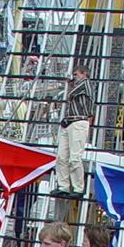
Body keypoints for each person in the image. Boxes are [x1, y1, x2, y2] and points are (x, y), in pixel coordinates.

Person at [53, 65, 93, 196]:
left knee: (75, 157)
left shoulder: (86, 84)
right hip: (70, 122)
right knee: (61, 157)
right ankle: (63, 185)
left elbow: (70, 94)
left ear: (84, 74)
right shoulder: (79, 86)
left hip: (79, 122)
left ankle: (78, 188)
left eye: (76, 74)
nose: (74, 77)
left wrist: (69, 85)